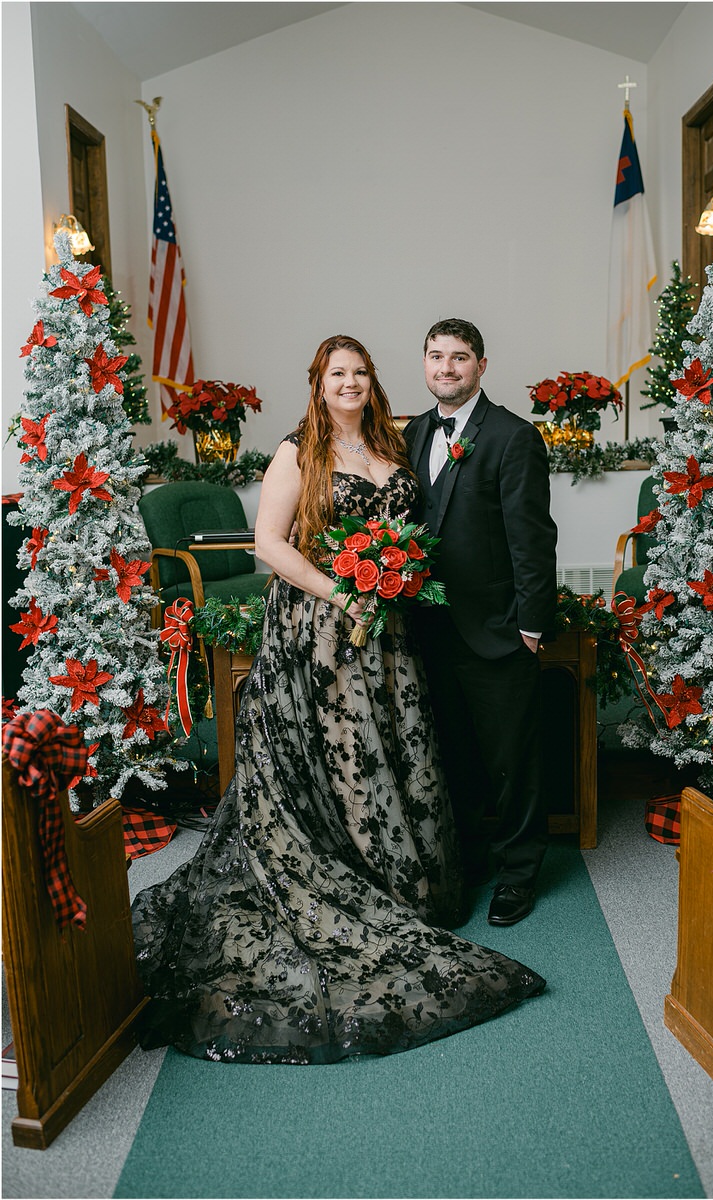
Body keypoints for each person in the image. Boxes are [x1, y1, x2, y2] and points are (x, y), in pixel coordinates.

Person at [131, 334, 546, 1065]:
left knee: (393, 747)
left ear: (372, 381)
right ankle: (351, 876)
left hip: (392, 633)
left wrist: (392, 582)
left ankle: (406, 876)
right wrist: (345, 591)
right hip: (324, 627)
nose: (348, 383)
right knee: (340, 753)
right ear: (318, 384)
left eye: (359, 372)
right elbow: (269, 542)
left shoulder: (399, 441)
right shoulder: (300, 450)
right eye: (336, 374)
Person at [404, 319, 558, 928]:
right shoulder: (413, 433)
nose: (447, 368)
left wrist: (532, 624)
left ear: (481, 366)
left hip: (497, 628)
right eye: (437, 356)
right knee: (452, 755)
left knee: (512, 760)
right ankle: (464, 862)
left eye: (460, 357)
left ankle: (519, 874)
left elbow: (532, 537)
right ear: (424, 365)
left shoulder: (513, 437)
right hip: (427, 628)